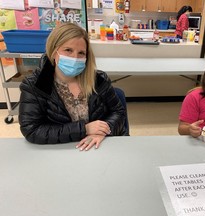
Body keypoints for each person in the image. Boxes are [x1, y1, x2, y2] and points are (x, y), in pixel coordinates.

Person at [18, 22, 128, 150]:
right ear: (53, 52)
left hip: (100, 146)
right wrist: (84, 129)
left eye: (81, 53)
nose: (75, 57)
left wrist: (103, 131)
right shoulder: (35, 86)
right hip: (62, 150)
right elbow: (32, 130)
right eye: (68, 50)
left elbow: (118, 112)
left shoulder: (99, 80)